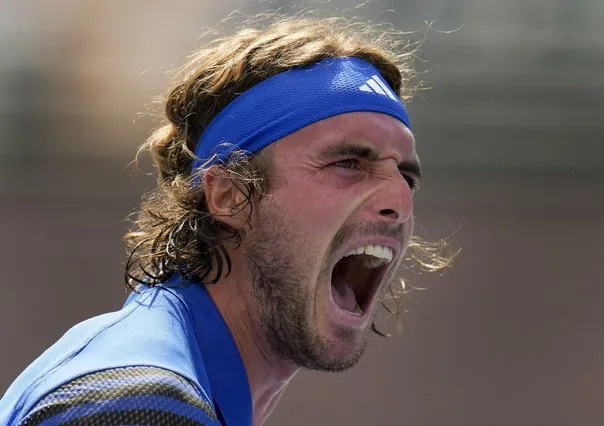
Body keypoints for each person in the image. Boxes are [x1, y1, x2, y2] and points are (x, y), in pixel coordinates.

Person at [0, 13, 453, 426]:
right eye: (349, 163)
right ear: (230, 195)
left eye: (406, 176)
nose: (400, 199)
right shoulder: (142, 402)